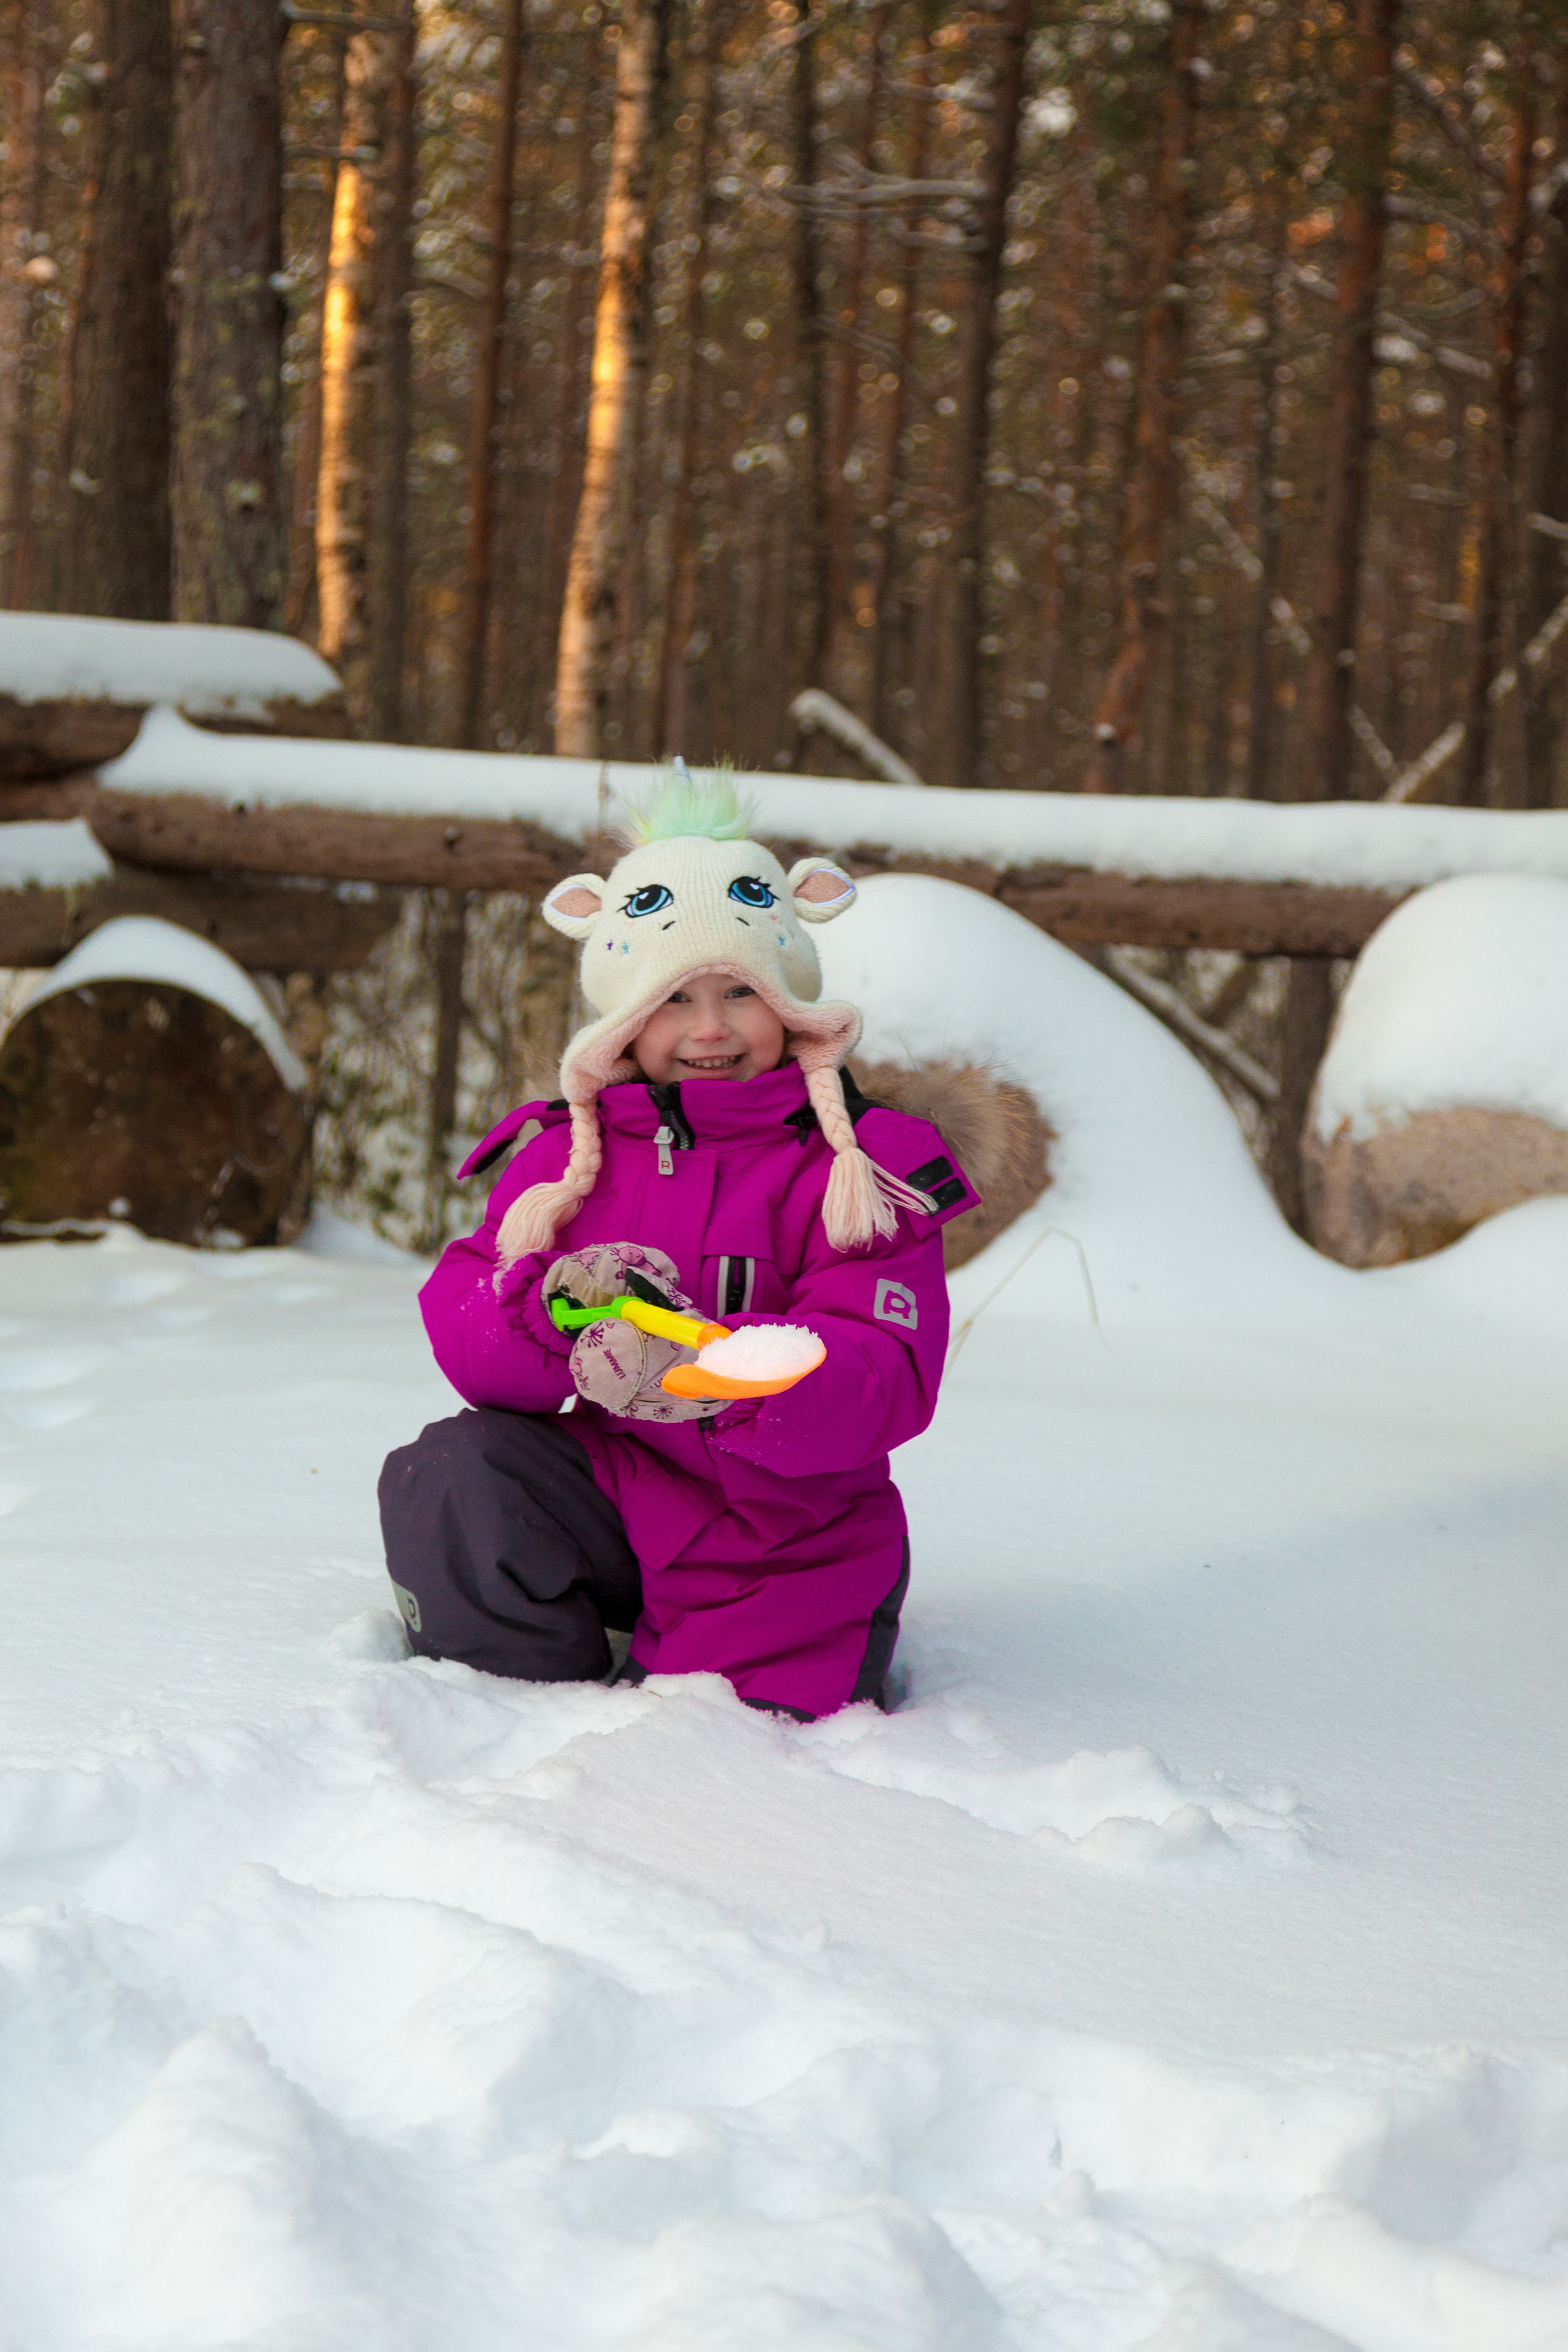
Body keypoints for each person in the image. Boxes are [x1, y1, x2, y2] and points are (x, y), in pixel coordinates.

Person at [379, 773, 980, 1720]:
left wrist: (713, 1371)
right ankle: (516, 1704)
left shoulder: (862, 1168)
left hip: (784, 1531)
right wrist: (546, 1313)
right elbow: (468, 1324)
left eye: (740, 991)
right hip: (619, 1491)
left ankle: (690, 1673)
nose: (709, 1028)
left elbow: (885, 1371)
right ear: (624, 1019)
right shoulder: (562, 1160)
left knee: (724, 1751)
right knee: (455, 1473)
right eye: (673, 999)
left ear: (788, 1002)